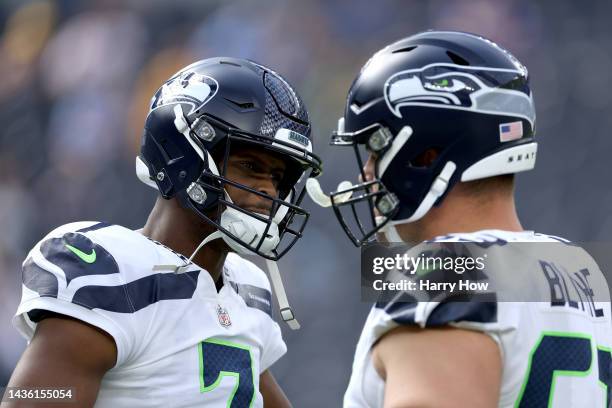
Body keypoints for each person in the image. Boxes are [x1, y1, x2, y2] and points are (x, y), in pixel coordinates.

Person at [308, 31, 612, 407]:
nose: (365, 173)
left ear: (425, 154)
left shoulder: (440, 275)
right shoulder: (581, 267)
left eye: (374, 149)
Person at [5, 57, 322, 407]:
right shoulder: (110, 272)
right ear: (182, 154)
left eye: (277, 178)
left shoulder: (248, 290)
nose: (270, 192)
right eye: (251, 166)